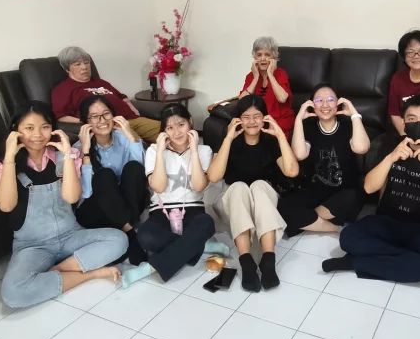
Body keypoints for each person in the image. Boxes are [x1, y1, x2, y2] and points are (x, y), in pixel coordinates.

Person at [0, 101, 127, 308]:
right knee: (13, 294)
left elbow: (72, 197)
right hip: (32, 245)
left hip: (71, 235)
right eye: (29, 128)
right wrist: (9, 157)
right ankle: (90, 274)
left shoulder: (63, 157)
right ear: (15, 130)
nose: (37, 134)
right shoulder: (1, 166)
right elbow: (6, 206)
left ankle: (57, 271)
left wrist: (68, 156)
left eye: (45, 127)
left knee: (119, 240)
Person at [329, 95, 420, 282]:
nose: (418, 124)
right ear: (403, 122)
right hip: (388, 221)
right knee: (348, 237)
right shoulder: (391, 145)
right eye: (412, 118)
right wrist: (391, 158)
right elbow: (369, 188)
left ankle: (357, 263)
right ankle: (415, 261)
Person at [208, 95, 300, 292]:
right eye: (246, 117)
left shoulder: (270, 141)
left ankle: (268, 260)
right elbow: (214, 177)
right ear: (238, 119)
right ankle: (247, 262)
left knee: (259, 185)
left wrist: (280, 135)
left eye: (257, 116)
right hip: (233, 201)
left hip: (262, 200)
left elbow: (292, 171)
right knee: (239, 186)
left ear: (265, 118)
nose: (252, 122)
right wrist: (228, 138)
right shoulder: (228, 140)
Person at [121, 104, 218, 287]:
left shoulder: (204, 150)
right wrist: (160, 152)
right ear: (163, 131)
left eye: (181, 125)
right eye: (170, 128)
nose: (177, 132)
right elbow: (158, 187)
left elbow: (199, 186)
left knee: (207, 224)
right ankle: (199, 246)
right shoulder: (153, 150)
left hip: (193, 209)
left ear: (190, 122)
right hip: (162, 210)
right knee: (146, 236)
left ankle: (149, 268)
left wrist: (194, 150)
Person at [279, 83, 369, 236]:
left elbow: (361, 148)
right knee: (283, 206)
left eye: (330, 99)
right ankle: (334, 227)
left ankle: (305, 219)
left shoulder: (348, 125)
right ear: (312, 105)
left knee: (353, 197)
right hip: (315, 190)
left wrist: (354, 114)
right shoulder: (308, 126)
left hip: (344, 191)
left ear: (338, 103)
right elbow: (300, 154)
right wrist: (299, 119)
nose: (325, 105)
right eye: (319, 100)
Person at [73, 95, 147, 265]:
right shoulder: (77, 149)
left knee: (134, 167)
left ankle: (124, 229)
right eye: (94, 116)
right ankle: (131, 233)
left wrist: (130, 136)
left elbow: (142, 173)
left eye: (106, 114)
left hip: (124, 205)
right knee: (104, 176)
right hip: (96, 209)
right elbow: (86, 193)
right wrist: (85, 152)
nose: (102, 120)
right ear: (85, 123)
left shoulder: (123, 137)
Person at [51, 46, 161, 143]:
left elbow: (122, 97)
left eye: (86, 62)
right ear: (67, 69)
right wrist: (87, 120)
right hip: (111, 125)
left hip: (131, 119)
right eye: (78, 64)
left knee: (166, 132)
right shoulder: (63, 89)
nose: (84, 67)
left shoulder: (100, 82)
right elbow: (62, 117)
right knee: (137, 145)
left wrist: (133, 108)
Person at [237, 36, 295, 137]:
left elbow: (282, 98)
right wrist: (255, 78)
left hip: (278, 121)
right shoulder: (251, 76)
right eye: (259, 55)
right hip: (257, 121)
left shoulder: (280, 74)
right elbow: (242, 102)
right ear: (255, 57)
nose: (263, 59)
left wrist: (270, 75)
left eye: (267, 55)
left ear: (274, 57)